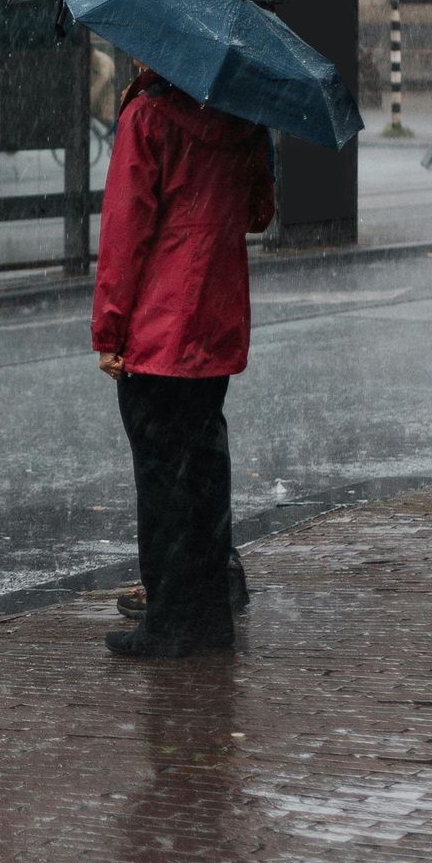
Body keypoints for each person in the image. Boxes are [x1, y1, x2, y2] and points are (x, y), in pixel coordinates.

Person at [92, 61, 276, 661]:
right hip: (215, 322)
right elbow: (258, 213)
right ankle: (208, 616)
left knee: (159, 476)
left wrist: (110, 330)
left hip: (159, 326)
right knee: (203, 470)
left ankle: (169, 619)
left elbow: (124, 232)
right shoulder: (245, 121)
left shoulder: (146, 118)